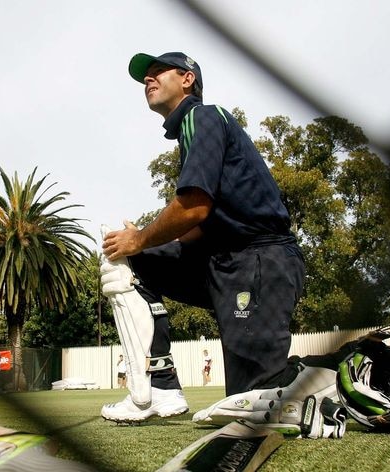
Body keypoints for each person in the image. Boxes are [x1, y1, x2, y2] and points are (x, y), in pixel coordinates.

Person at [100, 52, 305, 423]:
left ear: (187, 79)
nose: (148, 80)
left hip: (259, 261)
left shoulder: (203, 116)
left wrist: (141, 237)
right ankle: (159, 388)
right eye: (145, 77)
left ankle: (340, 377)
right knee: (128, 263)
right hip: (221, 260)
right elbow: (200, 223)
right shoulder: (190, 132)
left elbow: (194, 206)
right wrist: (142, 246)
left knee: (255, 406)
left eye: (158, 72)